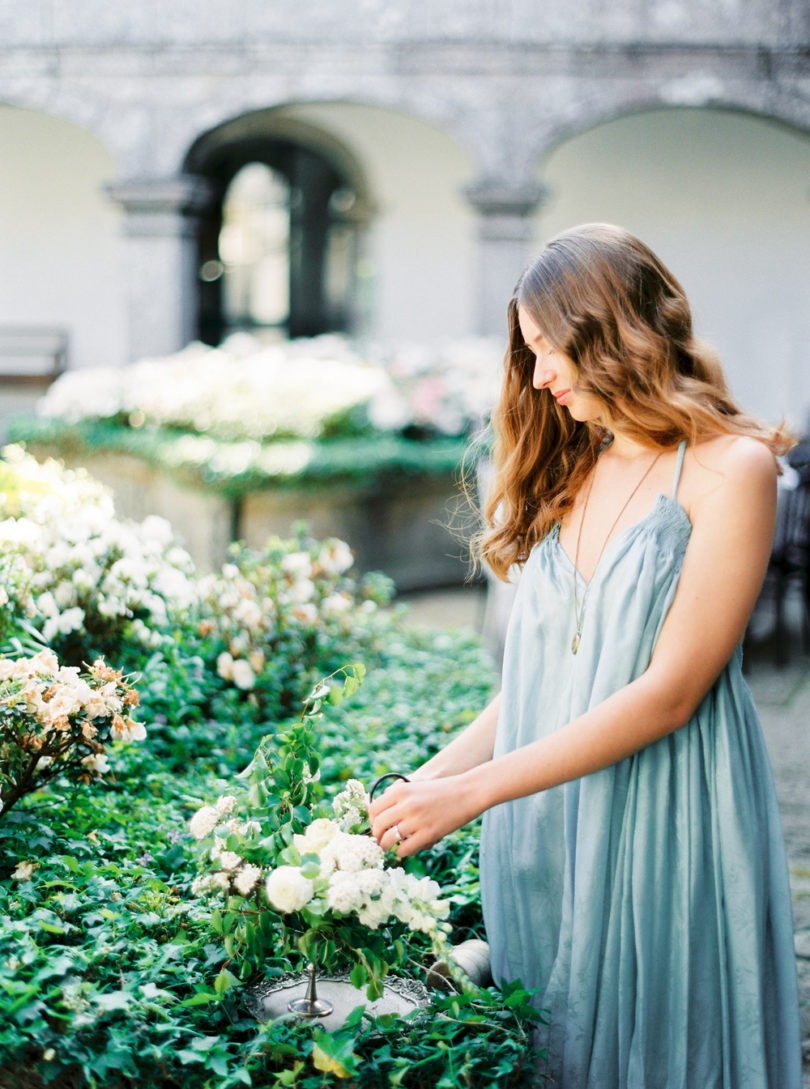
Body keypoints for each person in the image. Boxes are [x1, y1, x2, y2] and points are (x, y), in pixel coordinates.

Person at [369, 223, 802, 1088]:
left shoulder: (733, 469)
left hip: (668, 807)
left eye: (546, 349)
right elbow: (532, 682)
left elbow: (673, 691)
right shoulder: (574, 464)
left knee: (663, 1045)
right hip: (545, 817)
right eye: (525, 354)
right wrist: (423, 784)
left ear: (612, 334)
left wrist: (474, 791)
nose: (536, 377)